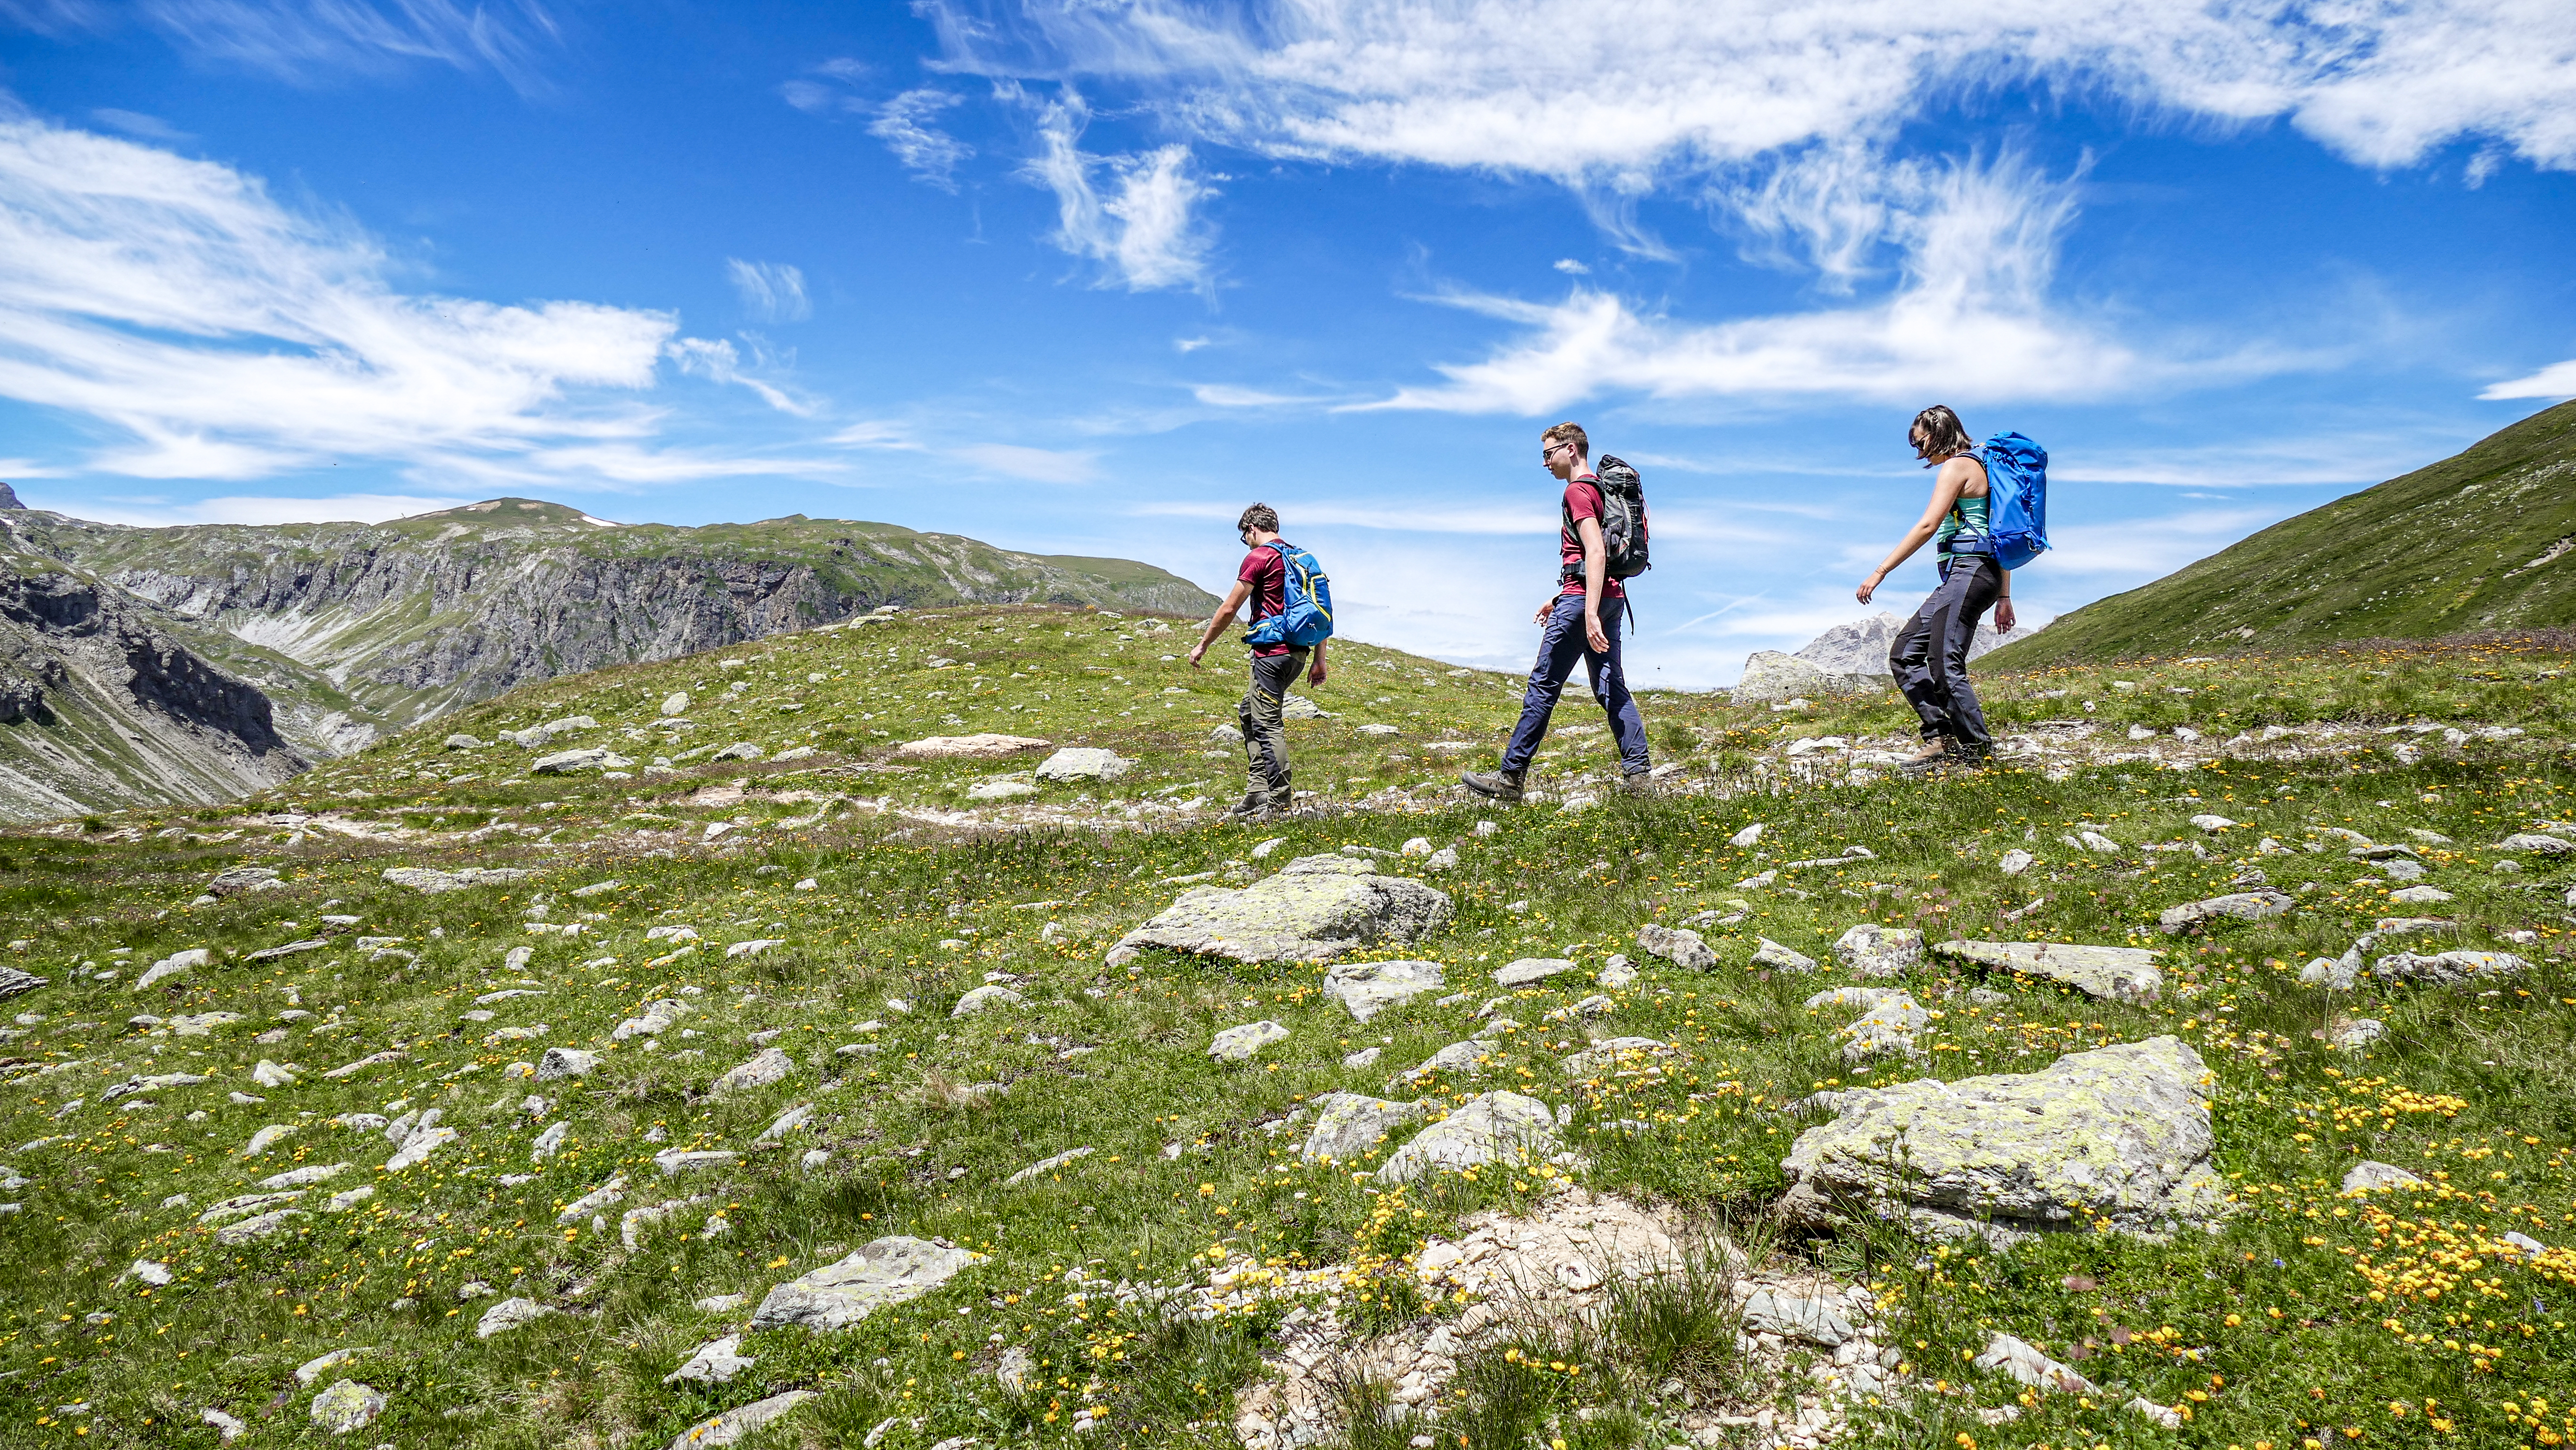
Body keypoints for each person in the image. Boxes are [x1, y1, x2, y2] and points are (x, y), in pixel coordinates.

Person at [1462, 422, 1650, 801]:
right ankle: (1639, 777)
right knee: (1610, 686)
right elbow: (1594, 558)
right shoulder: (1600, 490)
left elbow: (1596, 552)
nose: (1545, 463)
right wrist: (1564, 595)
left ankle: (1511, 777)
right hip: (1609, 598)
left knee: (1544, 685)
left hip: (1588, 603)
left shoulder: (1578, 491)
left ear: (1571, 450)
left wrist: (1588, 611)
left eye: (1549, 454)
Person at [1855, 404, 2019, 773]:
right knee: (1906, 653)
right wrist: (2004, 595)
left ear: (1939, 431)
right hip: (1973, 574)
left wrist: (1880, 571)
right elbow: (2001, 538)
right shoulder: (1982, 468)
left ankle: (1979, 755)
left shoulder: (1959, 465)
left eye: (1921, 441)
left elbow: (1929, 525)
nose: (1919, 452)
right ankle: (1940, 739)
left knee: (1945, 663)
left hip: (1971, 571)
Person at [1188, 503, 1327, 820]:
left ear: (1252, 528)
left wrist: (1203, 645)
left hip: (1271, 653)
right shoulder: (1303, 559)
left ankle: (1279, 804)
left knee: (1267, 723)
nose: (1246, 542)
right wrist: (1320, 660)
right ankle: (1257, 791)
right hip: (1297, 654)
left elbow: (1229, 608)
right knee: (1249, 712)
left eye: (1245, 536)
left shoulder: (1259, 557)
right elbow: (1318, 612)